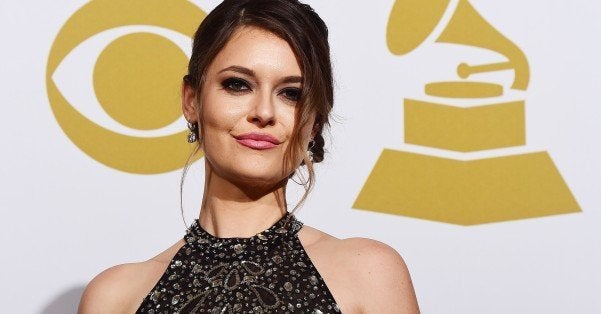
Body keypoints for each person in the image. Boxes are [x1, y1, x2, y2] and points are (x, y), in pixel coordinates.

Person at [78, 0, 420, 313]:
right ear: (192, 101)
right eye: (238, 85)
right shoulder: (115, 297)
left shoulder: (368, 273)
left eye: (291, 93)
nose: (264, 112)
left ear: (314, 122)